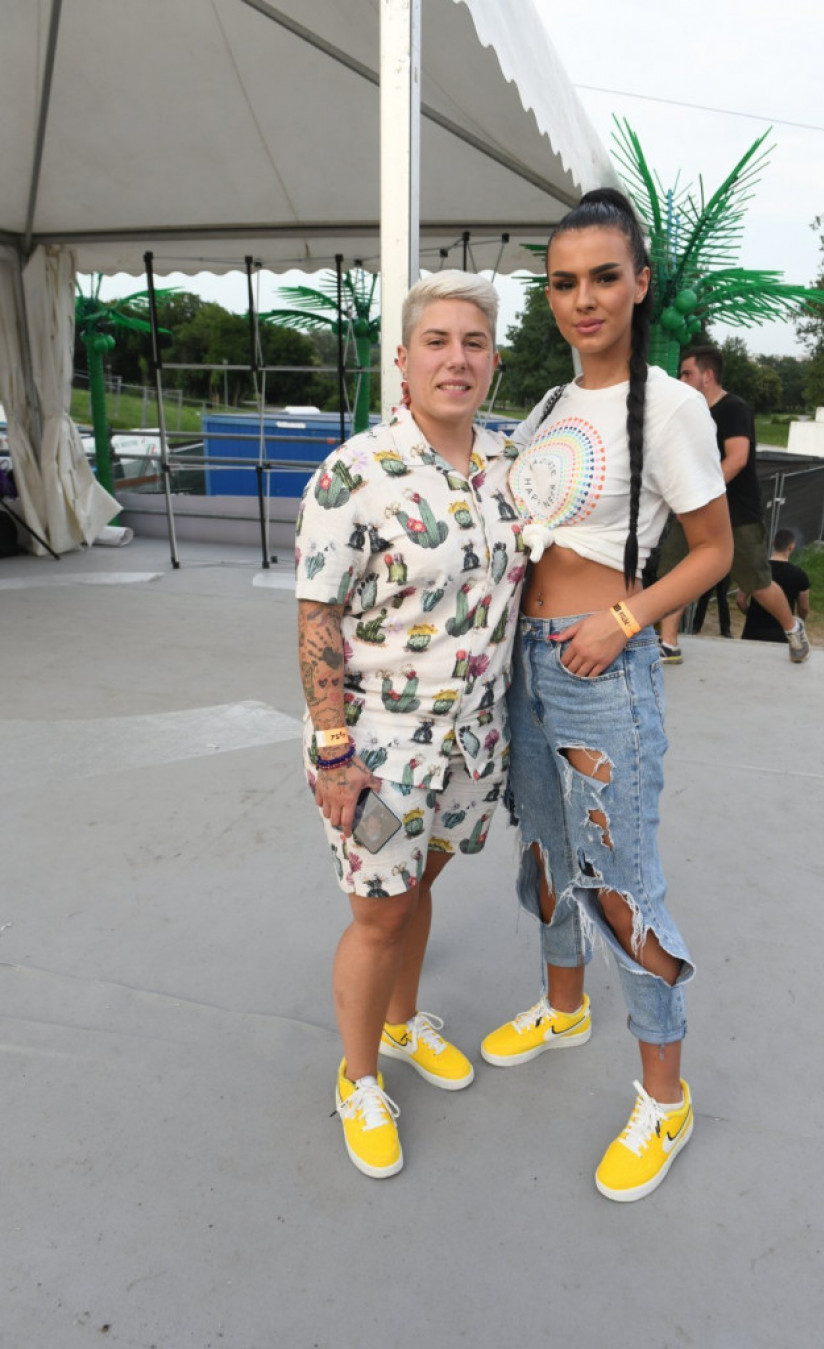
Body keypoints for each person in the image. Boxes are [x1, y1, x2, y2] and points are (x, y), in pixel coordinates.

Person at [480, 189, 733, 1201]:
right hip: (526, 663)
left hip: (600, 666)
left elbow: (712, 551)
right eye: (563, 283)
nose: (582, 299)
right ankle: (563, 1005)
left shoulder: (670, 407)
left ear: (639, 284)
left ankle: (665, 1096)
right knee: (544, 848)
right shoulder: (548, 407)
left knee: (622, 883)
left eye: (602, 278)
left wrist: (623, 620)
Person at [295, 271, 526, 1179]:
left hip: (472, 740)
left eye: (474, 342)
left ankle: (400, 1023)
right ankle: (358, 1077)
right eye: (437, 341)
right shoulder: (355, 472)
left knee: (419, 883)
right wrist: (333, 750)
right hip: (377, 747)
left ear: (494, 360)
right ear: (402, 357)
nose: (455, 359)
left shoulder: (511, 464)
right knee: (379, 914)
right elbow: (317, 618)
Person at [656, 346, 810, 666]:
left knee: (756, 582)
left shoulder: (733, 409)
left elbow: (737, 459)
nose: (681, 379)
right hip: (693, 510)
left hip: (736, 513)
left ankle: (792, 627)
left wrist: (699, 494)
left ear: (708, 376)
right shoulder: (689, 413)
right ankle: (669, 644)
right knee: (673, 574)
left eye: (687, 373)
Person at [738, 527, 810, 642]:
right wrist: (796, 622)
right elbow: (804, 608)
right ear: (791, 547)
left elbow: (741, 600)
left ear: (773, 542)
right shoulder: (799, 575)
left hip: (753, 630)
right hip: (782, 633)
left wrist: (751, 615)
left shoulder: (756, 570)